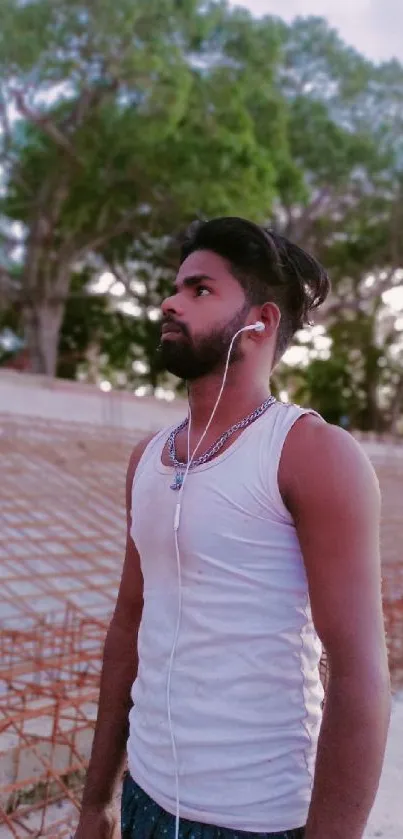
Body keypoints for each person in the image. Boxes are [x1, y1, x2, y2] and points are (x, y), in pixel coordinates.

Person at [75, 217, 390, 839]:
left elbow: (359, 675)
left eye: (199, 291)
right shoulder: (148, 458)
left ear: (261, 321)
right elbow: (129, 624)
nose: (169, 301)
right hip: (145, 793)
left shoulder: (312, 455)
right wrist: (97, 800)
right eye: (175, 287)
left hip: (256, 818)